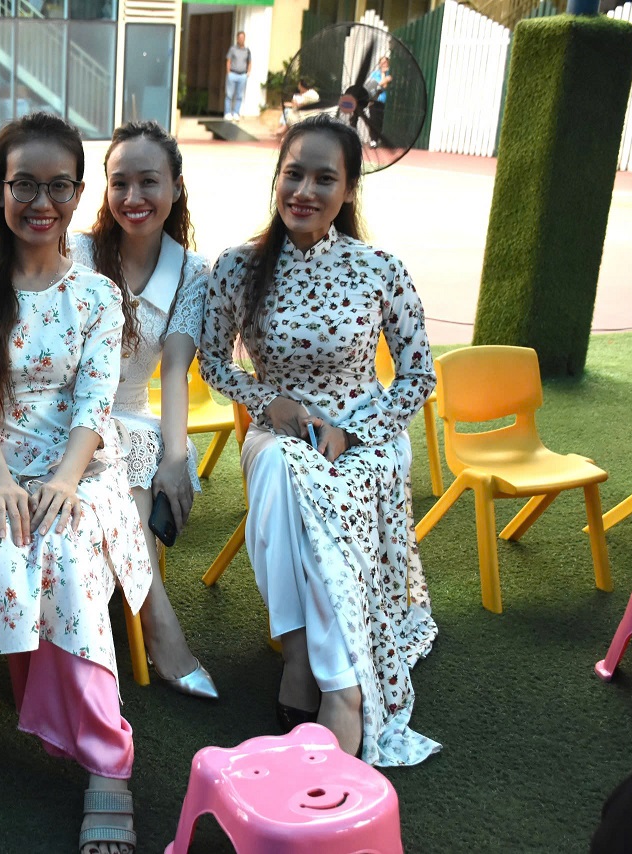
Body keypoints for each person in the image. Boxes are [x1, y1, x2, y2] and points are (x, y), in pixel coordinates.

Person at [0, 112, 150, 854]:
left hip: (81, 467)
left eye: (59, 186)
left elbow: (95, 402)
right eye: (23, 184)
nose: (41, 202)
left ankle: (107, 764)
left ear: (79, 193)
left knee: (62, 549)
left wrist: (64, 479)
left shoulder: (97, 295)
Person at [198, 115, 440, 767]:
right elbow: (212, 362)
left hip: (366, 435)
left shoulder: (379, 268)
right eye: (294, 174)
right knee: (282, 468)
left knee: (299, 489)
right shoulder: (238, 267)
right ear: (277, 178)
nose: (304, 191)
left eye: (324, 178)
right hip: (279, 428)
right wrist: (266, 401)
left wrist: (353, 430)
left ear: (350, 190)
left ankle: (330, 680)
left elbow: (419, 376)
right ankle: (319, 668)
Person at [67, 121, 217, 699]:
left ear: (175, 186)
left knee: (140, 454)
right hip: (63, 412)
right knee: (122, 459)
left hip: (129, 413)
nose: (133, 198)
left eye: (149, 182)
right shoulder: (77, 251)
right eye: (119, 183)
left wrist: (176, 457)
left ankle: (138, 614)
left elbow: (175, 368)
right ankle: (159, 626)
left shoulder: (192, 271)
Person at [224, 31, 252, 121]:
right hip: (232, 74)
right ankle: (227, 113)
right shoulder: (232, 49)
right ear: (237, 38)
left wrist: (248, 72)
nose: (241, 39)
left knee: (239, 95)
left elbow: (249, 62)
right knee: (229, 94)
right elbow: (228, 60)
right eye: (240, 38)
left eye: (243, 38)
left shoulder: (247, 50)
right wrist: (228, 72)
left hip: (242, 75)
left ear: (244, 38)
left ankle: (236, 113)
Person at [366, 56, 391, 147]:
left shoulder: (389, 74)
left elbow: (383, 86)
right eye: (382, 62)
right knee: (373, 120)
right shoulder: (375, 74)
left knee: (380, 121)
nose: (384, 64)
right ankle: (373, 140)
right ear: (379, 64)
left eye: (385, 62)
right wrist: (380, 83)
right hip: (374, 100)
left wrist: (383, 74)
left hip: (383, 101)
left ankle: (378, 139)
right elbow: (373, 85)